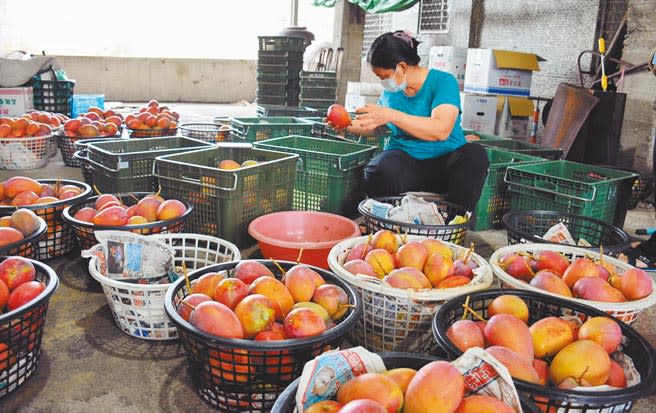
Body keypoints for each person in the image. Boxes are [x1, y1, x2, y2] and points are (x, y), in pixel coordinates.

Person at [330, 30, 489, 212]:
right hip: (407, 162)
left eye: (384, 76)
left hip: (446, 164)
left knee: (475, 156)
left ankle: (455, 221)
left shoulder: (443, 82)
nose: (383, 82)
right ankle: (387, 219)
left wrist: (393, 115)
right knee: (378, 170)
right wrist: (344, 124)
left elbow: (441, 129)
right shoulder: (391, 91)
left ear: (402, 67)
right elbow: (374, 125)